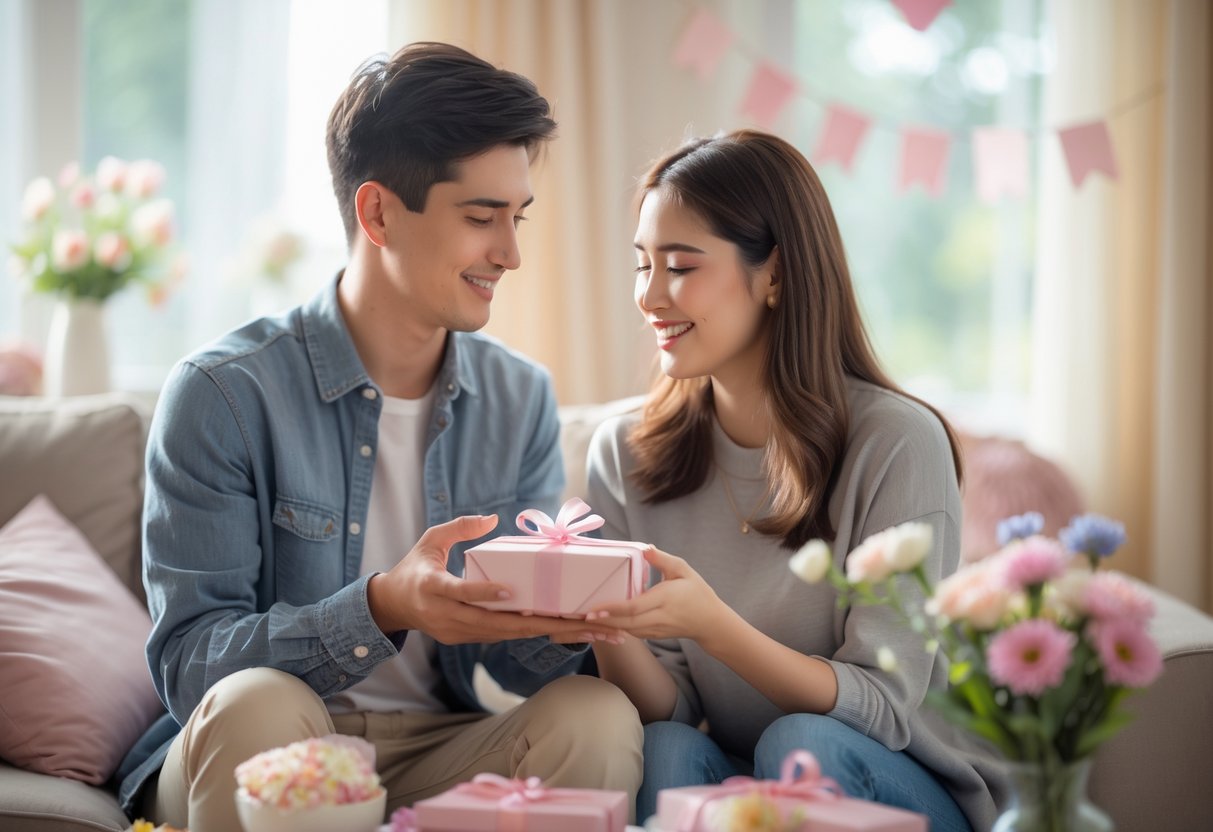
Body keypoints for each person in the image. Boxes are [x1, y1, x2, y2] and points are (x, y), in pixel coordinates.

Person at [115, 42, 641, 832]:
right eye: (480, 217)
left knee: (592, 715)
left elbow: (509, 670)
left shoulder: (517, 395)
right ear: (378, 212)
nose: (510, 253)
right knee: (260, 702)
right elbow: (194, 668)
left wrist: (566, 622)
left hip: (440, 743)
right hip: (269, 739)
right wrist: (383, 607)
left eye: (516, 217)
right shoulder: (223, 392)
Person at [583, 129, 1006, 831]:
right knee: (660, 748)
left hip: (896, 783)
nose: (649, 296)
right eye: (641, 265)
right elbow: (675, 711)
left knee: (798, 743)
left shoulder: (896, 444)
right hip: (741, 787)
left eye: (681, 266)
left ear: (774, 274)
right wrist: (604, 621)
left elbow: (882, 706)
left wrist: (714, 628)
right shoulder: (623, 454)